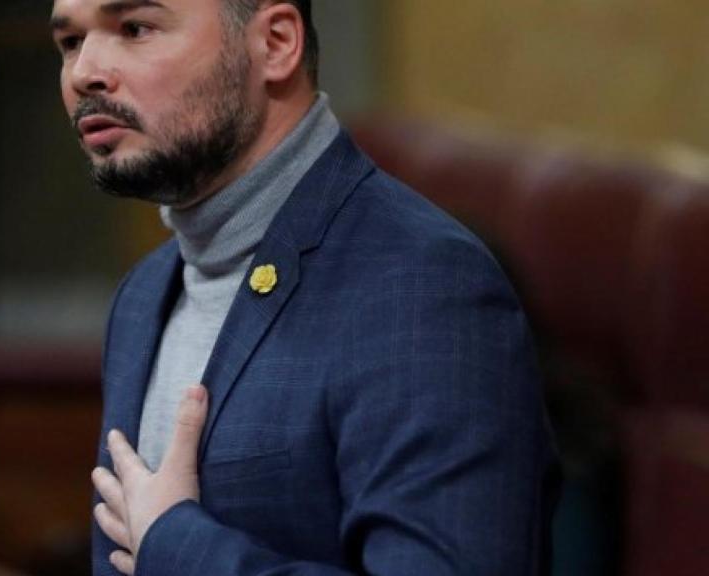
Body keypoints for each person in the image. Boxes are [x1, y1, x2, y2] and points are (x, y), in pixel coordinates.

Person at [49, 0, 560, 574]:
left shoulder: (423, 285)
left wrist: (180, 546)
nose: (84, 71)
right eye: (70, 42)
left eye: (135, 29)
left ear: (275, 44)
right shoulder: (143, 295)